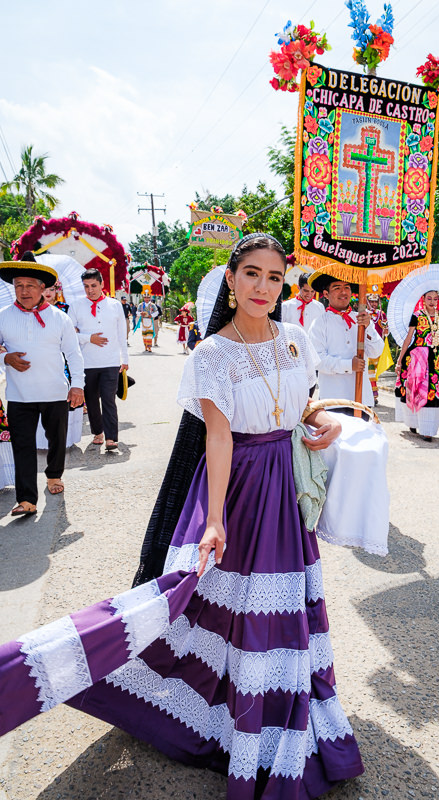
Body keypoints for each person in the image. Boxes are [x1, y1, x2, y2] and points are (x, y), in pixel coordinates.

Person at [0, 234, 364, 799]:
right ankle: (217, 710)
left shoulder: (295, 339)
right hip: (241, 486)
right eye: (252, 274)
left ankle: (277, 706)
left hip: (286, 486)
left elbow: (299, 404)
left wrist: (323, 421)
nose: (263, 287)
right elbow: (217, 436)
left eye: (274, 276)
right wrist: (214, 518)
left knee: (280, 604)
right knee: (221, 597)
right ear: (231, 278)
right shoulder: (211, 352)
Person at [0, 253, 84, 515]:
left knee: (56, 439)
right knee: (22, 445)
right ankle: (27, 499)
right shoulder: (3, 316)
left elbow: (73, 354)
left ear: (42, 288)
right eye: (18, 285)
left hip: (54, 391)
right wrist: (6, 357)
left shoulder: (60, 318)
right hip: (18, 394)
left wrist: (77, 385)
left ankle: (54, 474)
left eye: (29, 285)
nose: (23, 291)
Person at [69, 268, 128, 452]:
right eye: (86, 286)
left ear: (102, 284)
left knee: (109, 400)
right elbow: (69, 335)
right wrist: (88, 337)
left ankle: (111, 438)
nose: (90, 290)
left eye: (94, 285)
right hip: (86, 363)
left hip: (110, 362)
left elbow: (121, 333)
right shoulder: (76, 306)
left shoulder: (115, 305)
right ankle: (98, 432)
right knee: (92, 401)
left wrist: (124, 359)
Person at [308, 273, 384, 408]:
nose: (343, 292)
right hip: (333, 399)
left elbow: (376, 352)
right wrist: (349, 365)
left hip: (362, 397)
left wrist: (368, 328)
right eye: (337, 288)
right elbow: (318, 360)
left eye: (347, 287)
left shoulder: (361, 319)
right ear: (326, 294)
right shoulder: (319, 323)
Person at [395, 290, 439, 441]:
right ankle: (413, 421)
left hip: (436, 359)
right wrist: (399, 361)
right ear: (423, 299)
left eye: (435, 298)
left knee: (433, 391)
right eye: (429, 298)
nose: (432, 301)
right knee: (414, 389)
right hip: (415, 357)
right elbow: (408, 339)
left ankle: (427, 429)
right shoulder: (417, 315)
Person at [36, 281, 83, 450]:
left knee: (63, 397)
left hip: (64, 358)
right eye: (45, 289)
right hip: (41, 360)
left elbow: (75, 330)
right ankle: (41, 440)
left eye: (52, 289)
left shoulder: (65, 309)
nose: (48, 293)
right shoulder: (30, 311)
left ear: (57, 291)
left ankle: (66, 438)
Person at [366, 290, 389, 404]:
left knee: (376, 373)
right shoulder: (364, 313)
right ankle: (373, 396)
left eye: (375, 301)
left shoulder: (381, 314)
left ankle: (372, 395)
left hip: (379, 347)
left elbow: (386, 331)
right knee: (370, 373)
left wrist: (386, 330)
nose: (374, 304)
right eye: (371, 301)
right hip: (367, 348)